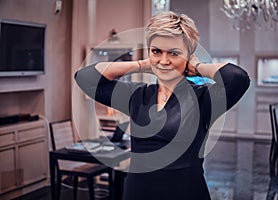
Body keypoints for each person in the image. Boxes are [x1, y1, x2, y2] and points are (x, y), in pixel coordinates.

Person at [75, 11, 250, 200]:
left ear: (189, 56)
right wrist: (143, 64)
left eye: (174, 53)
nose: (164, 61)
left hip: (185, 192)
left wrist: (197, 67)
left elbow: (238, 78)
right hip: (137, 192)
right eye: (157, 51)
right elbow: (85, 77)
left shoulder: (203, 99)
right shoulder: (137, 95)